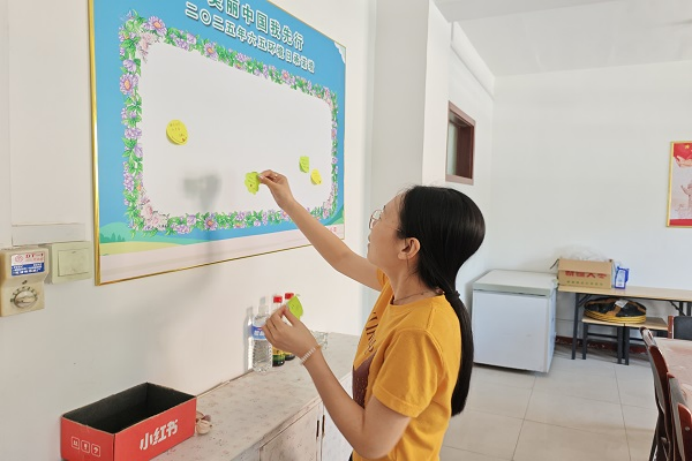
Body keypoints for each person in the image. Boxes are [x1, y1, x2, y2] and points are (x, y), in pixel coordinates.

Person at [258, 170, 485, 461]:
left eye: (382, 216)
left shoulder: (418, 334)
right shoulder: (402, 288)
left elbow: (371, 443)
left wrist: (309, 352)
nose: (373, 223)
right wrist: (289, 203)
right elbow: (342, 258)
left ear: (408, 247)